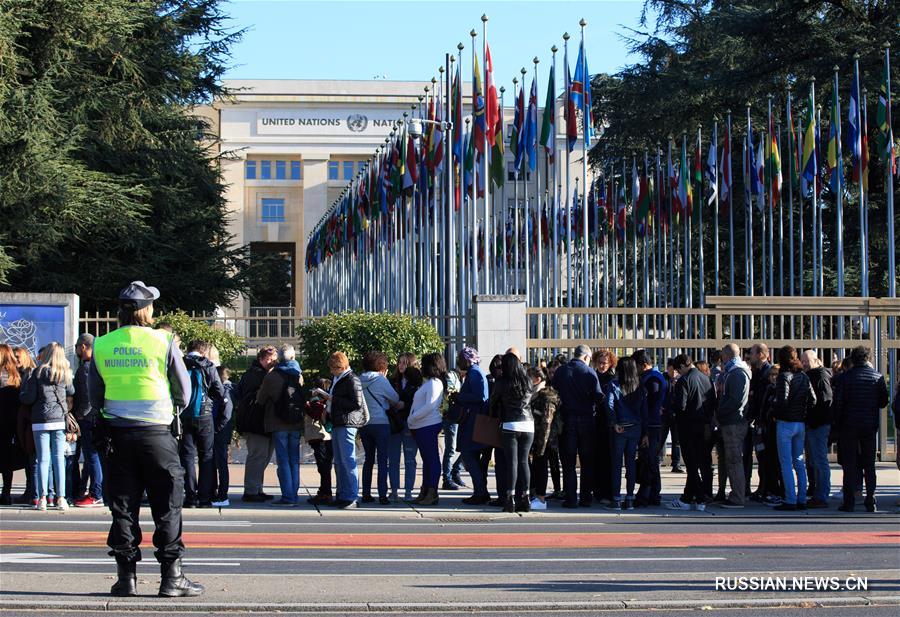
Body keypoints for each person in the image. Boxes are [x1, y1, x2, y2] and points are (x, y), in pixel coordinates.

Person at [88, 281, 202, 597]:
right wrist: (170, 408)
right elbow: (184, 390)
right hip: (157, 436)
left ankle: (126, 579)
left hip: (118, 437)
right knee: (168, 505)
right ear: (148, 309)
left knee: (123, 507)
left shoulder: (102, 344)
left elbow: (94, 395)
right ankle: (171, 578)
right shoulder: (163, 341)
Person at [20, 342, 74, 511]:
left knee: (43, 460)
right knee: (59, 460)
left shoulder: (38, 372)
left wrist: (22, 393)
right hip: (58, 419)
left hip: (40, 420)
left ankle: (42, 498)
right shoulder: (65, 373)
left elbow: (28, 398)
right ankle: (61, 498)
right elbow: (71, 391)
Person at [834, 346, 889, 512]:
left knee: (849, 465)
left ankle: (849, 501)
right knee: (869, 464)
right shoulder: (877, 377)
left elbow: (838, 404)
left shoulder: (845, 378)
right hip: (869, 425)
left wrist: (838, 423)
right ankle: (870, 499)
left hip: (849, 425)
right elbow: (883, 402)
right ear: (868, 358)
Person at [552, 345, 603, 508]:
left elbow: (554, 393)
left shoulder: (561, 371)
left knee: (568, 462)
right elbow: (598, 396)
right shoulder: (589, 372)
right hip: (587, 420)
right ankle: (586, 497)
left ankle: (571, 498)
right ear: (586, 357)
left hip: (567, 420)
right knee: (587, 461)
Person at [256, 344, 304, 507]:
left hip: (278, 422)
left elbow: (260, 399)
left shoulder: (272, 376)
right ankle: (294, 495)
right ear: (293, 357)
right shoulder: (298, 374)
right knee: (294, 461)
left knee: (283, 460)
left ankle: (288, 496)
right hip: (296, 422)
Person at [179, 341, 225, 508]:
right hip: (204, 414)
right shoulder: (208, 365)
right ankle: (204, 497)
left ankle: (190, 497)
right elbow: (219, 391)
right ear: (203, 351)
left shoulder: (181, 363)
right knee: (206, 456)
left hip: (184, 414)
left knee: (187, 457)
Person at [668, 354, 715, 510]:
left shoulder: (684, 380)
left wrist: (671, 407)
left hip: (688, 426)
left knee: (691, 464)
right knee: (698, 462)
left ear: (682, 366)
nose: (677, 373)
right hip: (704, 425)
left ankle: (699, 498)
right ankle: (688, 498)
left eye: (678, 370)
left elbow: (680, 406)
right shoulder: (706, 378)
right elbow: (712, 402)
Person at [771, 346, 816, 511]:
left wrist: (775, 413)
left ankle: (790, 499)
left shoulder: (784, 376)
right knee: (799, 461)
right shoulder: (803, 376)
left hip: (786, 422)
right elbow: (813, 399)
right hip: (800, 422)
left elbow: (782, 400)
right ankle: (802, 498)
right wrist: (803, 412)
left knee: (786, 462)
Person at [490, 352, 535, 513]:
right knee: (524, 462)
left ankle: (510, 499)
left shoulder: (502, 382)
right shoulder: (527, 381)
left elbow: (493, 401)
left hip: (510, 424)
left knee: (512, 463)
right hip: (528, 424)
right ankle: (526, 497)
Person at [323, 351, 368, 509]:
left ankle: (351, 496)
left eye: (333, 368)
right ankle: (342, 494)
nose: (331, 371)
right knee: (341, 462)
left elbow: (357, 403)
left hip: (347, 423)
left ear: (340, 366)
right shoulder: (339, 378)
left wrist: (334, 399)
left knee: (348, 461)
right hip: (338, 422)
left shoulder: (351, 379)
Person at [235, 346, 278, 503]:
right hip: (255, 422)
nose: (271, 362)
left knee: (263, 457)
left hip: (261, 422)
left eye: (273, 359)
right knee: (257, 456)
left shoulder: (261, 373)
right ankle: (251, 490)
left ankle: (257, 488)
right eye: (269, 359)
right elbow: (256, 397)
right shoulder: (255, 375)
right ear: (260, 358)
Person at [359, 351, 402, 505]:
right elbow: (395, 398)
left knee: (368, 460)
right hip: (381, 423)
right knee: (382, 460)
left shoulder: (358, 380)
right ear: (381, 366)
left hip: (364, 424)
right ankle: (382, 495)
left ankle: (365, 493)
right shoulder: (381, 380)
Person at [605, 357, 647, 511]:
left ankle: (616, 499)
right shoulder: (639, 386)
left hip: (620, 428)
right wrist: (645, 432)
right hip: (635, 427)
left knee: (616, 464)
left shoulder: (614, 385)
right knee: (631, 463)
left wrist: (614, 422)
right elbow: (644, 410)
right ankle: (630, 499)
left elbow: (609, 405)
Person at [451, 347, 491, 506]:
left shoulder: (474, 373)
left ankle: (481, 492)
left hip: (473, 421)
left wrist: (459, 396)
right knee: (471, 457)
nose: (458, 361)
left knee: (469, 455)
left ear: (467, 359)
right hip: (472, 420)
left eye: (460, 358)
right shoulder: (475, 372)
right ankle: (480, 491)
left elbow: (480, 396)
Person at [715, 343, 752, 509]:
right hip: (734, 420)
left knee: (734, 460)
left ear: (726, 355)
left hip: (733, 422)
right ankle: (737, 494)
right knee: (732, 460)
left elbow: (735, 400)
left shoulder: (736, 372)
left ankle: (737, 497)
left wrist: (720, 412)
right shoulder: (737, 370)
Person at [406, 353, 445, 506]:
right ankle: (425, 491)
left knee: (432, 460)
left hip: (427, 424)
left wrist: (412, 418)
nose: (421, 367)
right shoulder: (429, 382)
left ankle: (432, 492)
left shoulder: (435, 383)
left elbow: (430, 406)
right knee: (427, 461)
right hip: (422, 425)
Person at [72, 334, 104, 508]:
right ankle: (95, 491)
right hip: (97, 415)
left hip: (88, 417)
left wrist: (81, 414)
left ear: (83, 347)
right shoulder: (99, 363)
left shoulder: (86, 367)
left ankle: (96, 494)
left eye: (78, 347)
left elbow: (86, 395)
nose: (77, 350)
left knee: (92, 456)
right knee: (95, 456)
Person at [633, 350, 668, 507]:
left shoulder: (652, 379)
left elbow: (650, 403)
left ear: (643, 365)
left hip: (651, 424)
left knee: (648, 460)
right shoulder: (657, 376)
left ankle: (647, 494)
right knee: (651, 460)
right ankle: (653, 493)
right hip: (654, 423)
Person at [802, 350, 833, 508]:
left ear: (817, 360)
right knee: (815, 460)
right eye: (803, 361)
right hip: (815, 424)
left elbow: (826, 401)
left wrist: (814, 421)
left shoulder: (820, 376)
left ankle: (822, 495)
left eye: (807, 361)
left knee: (819, 460)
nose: (805, 364)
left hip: (819, 425)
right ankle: (819, 493)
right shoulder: (814, 375)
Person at [528, 366, 559, 510]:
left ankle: (541, 498)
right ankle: (535, 495)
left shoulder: (546, 396)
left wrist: (541, 445)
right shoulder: (535, 394)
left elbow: (547, 422)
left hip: (545, 439)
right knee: (536, 467)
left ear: (537, 379)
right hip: (537, 437)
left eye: (529, 377)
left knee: (541, 466)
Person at [390, 353, 420, 501]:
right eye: (399, 362)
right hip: (395, 423)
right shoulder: (392, 381)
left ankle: (409, 491)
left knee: (410, 459)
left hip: (410, 423)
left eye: (405, 363)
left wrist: (405, 405)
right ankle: (394, 491)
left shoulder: (417, 383)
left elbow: (419, 403)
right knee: (394, 459)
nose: (401, 365)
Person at [0, 344, 27, 505]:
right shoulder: (16, 376)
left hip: (2, 421)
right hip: (12, 423)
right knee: (7, 461)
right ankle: (7, 492)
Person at [590, 349, 616, 504]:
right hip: (595, 421)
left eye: (604, 363)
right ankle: (597, 490)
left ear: (610, 363)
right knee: (595, 458)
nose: (601, 366)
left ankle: (606, 491)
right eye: (599, 362)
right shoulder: (593, 376)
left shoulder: (612, 379)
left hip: (607, 422)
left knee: (607, 458)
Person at [748, 343, 774, 500]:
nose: (750, 356)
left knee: (766, 456)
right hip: (760, 419)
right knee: (761, 456)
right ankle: (763, 487)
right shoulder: (759, 372)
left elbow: (762, 398)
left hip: (765, 421)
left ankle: (767, 488)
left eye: (752, 353)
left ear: (760, 355)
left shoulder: (767, 372)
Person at [13, 347, 38, 504]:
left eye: (17, 357)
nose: (16, 360)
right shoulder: (20, 373)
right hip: (24, 420)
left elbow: (28, 396)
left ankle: (32, 491)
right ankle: (30, 490)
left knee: (32, 458)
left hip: (30, 420)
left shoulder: (30, 372)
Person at [305, 377, 334, 505]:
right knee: (324, 466)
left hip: (321, 436)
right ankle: (324, 491)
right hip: (324, 436)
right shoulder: (323, 402)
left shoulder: (318, 403)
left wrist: (306, 405)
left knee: (323, 467)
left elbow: (316, 415)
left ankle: (326, 493)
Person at [211, 366, 235, 507]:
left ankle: (222, 494)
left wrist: (215, 429)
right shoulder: (224, 391)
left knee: (221, 464)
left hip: (219, 433)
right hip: (219, 432)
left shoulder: (225, 392)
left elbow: (226, 414)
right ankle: (217, 492)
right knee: (217, 463)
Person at [658, 358, 684, 474]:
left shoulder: (681, 380)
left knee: (676, 440)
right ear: (667, 368)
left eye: (675, 370)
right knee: (661, 438)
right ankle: (658, 460)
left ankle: (676, 463)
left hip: (676, 414)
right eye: (671, 370)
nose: (673, 372)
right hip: (664, 413)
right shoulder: (662, 379)